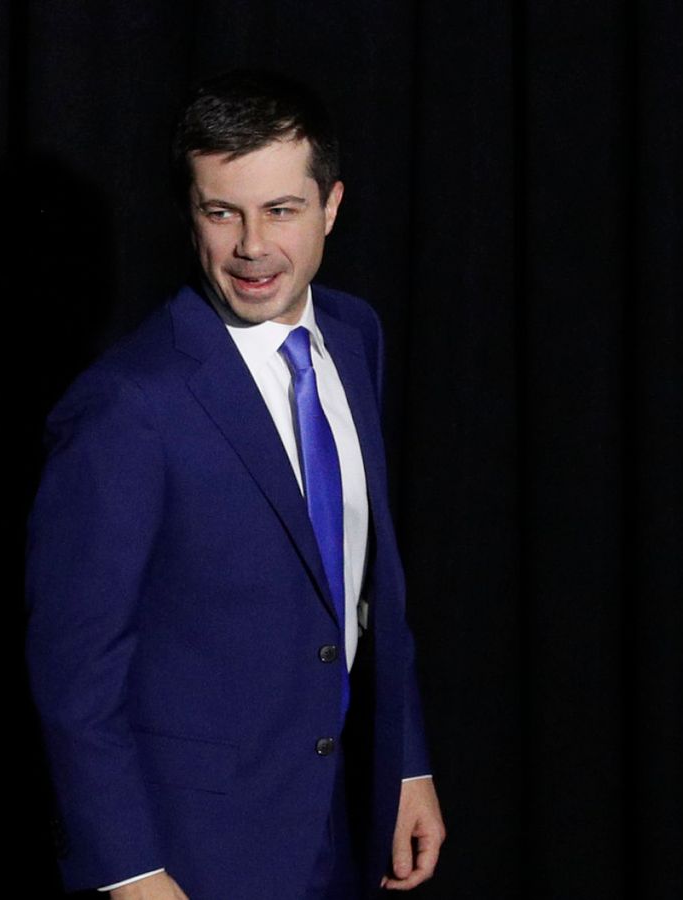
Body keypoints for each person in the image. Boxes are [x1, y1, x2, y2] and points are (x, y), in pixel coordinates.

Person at [26, 69, 444, 899]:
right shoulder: (128, 405)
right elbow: (75, 673)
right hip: (197, 853)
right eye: (222, 213)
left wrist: (405, 764)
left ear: (330, 207)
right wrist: (131, 872)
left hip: (343, 819)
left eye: (281, 210)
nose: (252, 246)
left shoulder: (354, 336)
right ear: (191, 215)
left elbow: (366, 584)